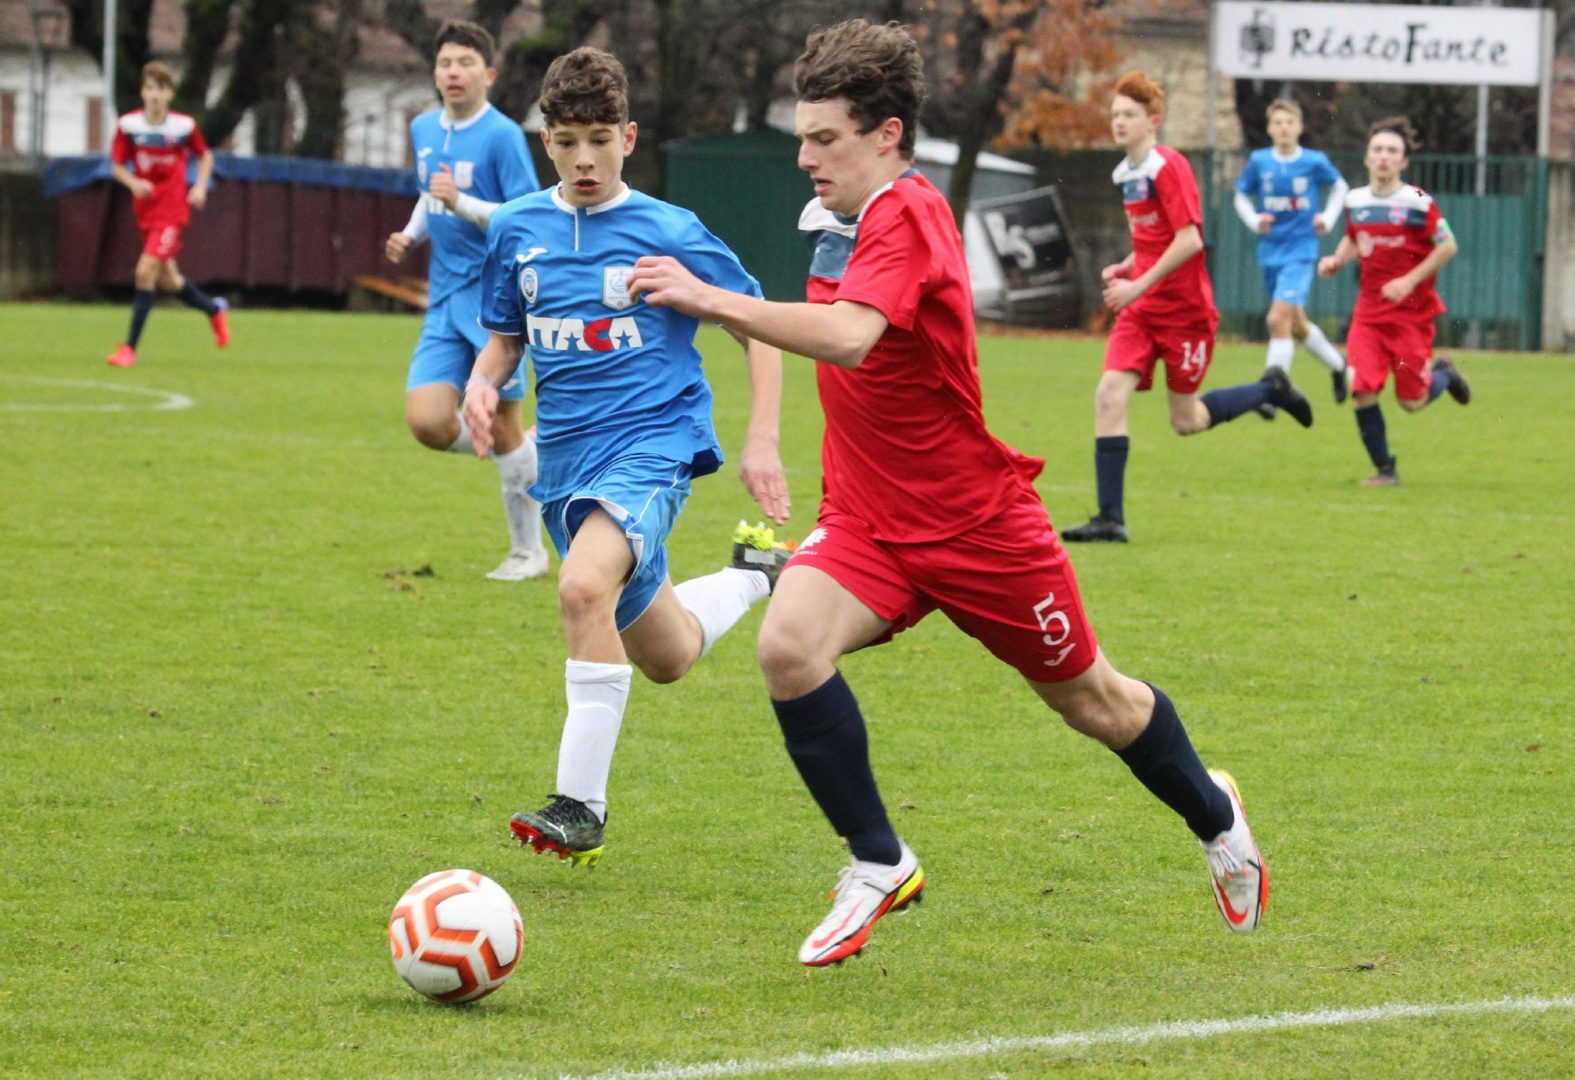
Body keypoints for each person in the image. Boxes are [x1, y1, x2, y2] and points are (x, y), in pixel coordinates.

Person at [628, 20, 1267, 967]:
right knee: (788, 647)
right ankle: (878, 860)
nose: (805, 158)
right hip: (867, 519)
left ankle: (1217, 819)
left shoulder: (909, 212)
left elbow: (849, 337)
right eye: (803, 138)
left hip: (976, 526)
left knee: (1095, 703)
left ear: (886, 134)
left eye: (825, 139)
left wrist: (706, 297)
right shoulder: (835, 214)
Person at [463, 47, 792, 869]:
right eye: (568, 141)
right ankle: (758, 575)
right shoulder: (514, 230)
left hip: (653, 445)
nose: (585, 159)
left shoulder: (669, 230)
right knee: (667, 655)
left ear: (629, 138)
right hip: (565, 467)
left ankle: (580, 805)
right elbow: (506, 337)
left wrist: (760, 440)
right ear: (546, 142)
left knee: (581, 586)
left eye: (600, 140)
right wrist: (479, 383)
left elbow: (757, 327)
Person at [1059, 71, 1315, 545]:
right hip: (1142, 313)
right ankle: (1110, 518)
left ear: (1153, 121)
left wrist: (1137, 285)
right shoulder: (1125, 173)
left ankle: (1270, 389)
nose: (1119, 122)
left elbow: (1190, 240)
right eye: (1115, 114)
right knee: (1109, 395)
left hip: (1184, 315)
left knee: (1186, 421)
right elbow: (1152, 240)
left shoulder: (1168, 167)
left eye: (1129, 114)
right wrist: (1128, 265)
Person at [385, 20, 550, 581]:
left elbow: (524, 217)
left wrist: (463, 204)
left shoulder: (502, 136)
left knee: (505, 426)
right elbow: (429, 194)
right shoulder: (423, 128)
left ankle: (528, 553)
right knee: (427, 421)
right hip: (444, 298)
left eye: (465, 63)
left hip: (495, 301)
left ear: (489, 74)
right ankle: (520, 455)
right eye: (445, 63)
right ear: (434, 73)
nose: (454, 73)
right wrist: (412, 233)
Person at [1317, 117, 1468, 487]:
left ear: (1404, 161)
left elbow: (1448, 245)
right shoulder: (1355, 200)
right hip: (1369, 316)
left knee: (1411, 401)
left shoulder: (1418, 200)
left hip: (1410, 317)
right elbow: (1354, 237)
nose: (1384, 156)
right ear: (1367, 158)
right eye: (1378, 150)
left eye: (1392, 151)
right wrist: (1337, 260)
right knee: (1362, 389)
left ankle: (1444, 375)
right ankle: (1386, 470)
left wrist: (1409, 281)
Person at [105, 61, 229, 368]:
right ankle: (214, 310)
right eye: (149, 88)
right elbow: (116, 166)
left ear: (170, 94)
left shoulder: (183, 127)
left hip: (171, 210)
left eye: (160, 89)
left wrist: (199, 187)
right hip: (145, 210)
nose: (155, 95)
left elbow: (205, 156)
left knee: (144, 271)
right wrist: (134, 183)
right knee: (170, 281)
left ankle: (129, 349)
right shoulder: (129, 126)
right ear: (142, 92)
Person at [1233, 97, 1351, 409]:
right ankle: (1339, 365)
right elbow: (1241, 196)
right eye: (1278, 123)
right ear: (1270, 128)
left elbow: (1340, 187)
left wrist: (1327, 218)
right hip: (1270, 250)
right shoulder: (1260, 161)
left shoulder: (1314, 161)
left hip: (1301, 249)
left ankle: (1272, 390)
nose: (1284, 128)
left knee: (1276, 319)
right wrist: (1254, 220)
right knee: (1296, 325)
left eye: (1289, 122)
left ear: (1300, 127)